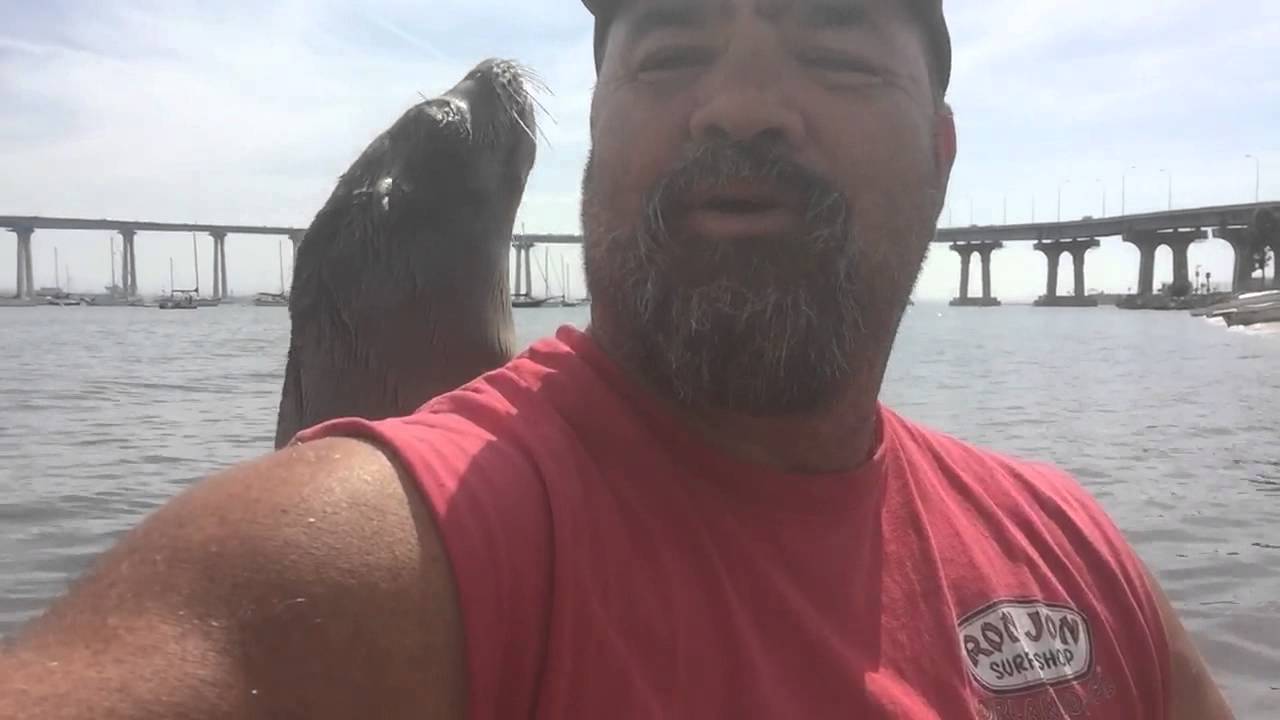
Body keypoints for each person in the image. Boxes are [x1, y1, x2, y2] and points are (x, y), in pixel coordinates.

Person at [0, 1, 1235, 718]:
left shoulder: (1070, 553)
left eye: (836, 48)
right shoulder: (373, 558)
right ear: (596, 135)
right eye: (669, 50)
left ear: (943, 152)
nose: (740, 102)